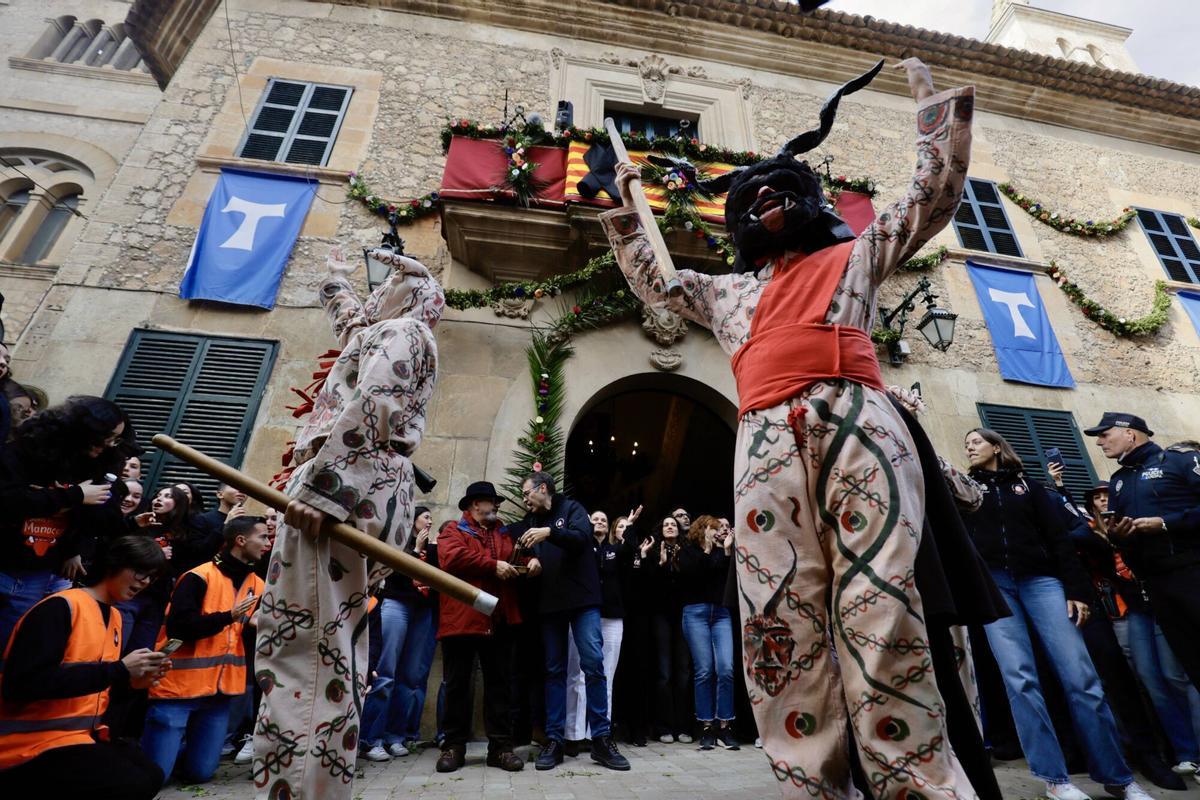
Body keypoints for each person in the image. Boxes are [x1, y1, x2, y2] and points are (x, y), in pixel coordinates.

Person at [603, 57, 978, 795]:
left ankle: (915, 782)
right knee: (775, 609)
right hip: (764, 439)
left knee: (883, 598)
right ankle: (810, 783)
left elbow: (927, 202)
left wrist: (935, 120)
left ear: (809, 202)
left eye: (782, 189)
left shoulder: (857, 255)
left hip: (856, 418)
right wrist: (624, 207)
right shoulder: (724, 293)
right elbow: (658, 280)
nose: (768, 198)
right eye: (752, 194)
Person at [254, 245, 442, 800]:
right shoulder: (384, 332)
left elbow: (377, 400)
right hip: (359, 485)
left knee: (307, 651)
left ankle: (301, 789)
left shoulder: (405, 332)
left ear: (413, 295)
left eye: (388, 285)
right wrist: (335, 280)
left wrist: (324, 488)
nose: (375, 292)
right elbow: (354, 326)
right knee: (320, 645)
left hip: (347, 485)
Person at [963, 428, 1151, 800]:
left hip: (1042, 582)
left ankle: (1118, 778)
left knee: (1081, 678)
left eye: (976, 441)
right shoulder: (967, 491)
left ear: (997, 446)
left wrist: (1076, 590)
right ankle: (1055, 779)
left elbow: (1059, 541)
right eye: (966, 444)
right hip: (995, 586)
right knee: (1020, 679)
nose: (969, 447)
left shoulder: (1032, 489)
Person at [0, 535, 169, 798]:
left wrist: (132, 685)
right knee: (131, 782)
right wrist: (118, 671)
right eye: (139, 572)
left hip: (77, 736)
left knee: (151, 774)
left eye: (151, 577)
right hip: (29, 743)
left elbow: (97, 693)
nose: (144, 582)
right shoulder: (60, 607)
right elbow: (23, 684)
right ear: (114, 564)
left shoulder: (113, 616)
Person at [514, 472, 630, 771]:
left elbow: (580, 539)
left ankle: (602, 740)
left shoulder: (572, 509)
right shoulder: (531, 519)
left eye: (527, 492)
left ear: (543, 488)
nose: (524, 499)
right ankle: (555, 740)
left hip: (583, 601)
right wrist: (531, 560)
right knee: (554, 670)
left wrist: (549, 533)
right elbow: (518, 546)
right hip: (550, 604)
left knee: (593, 665)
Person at [141, 515, 268, 784]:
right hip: (178, 688)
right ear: (241, 540)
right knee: (154, 778)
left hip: (218, 694)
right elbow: (179, 628)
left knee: (200, 774)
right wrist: (228, 617)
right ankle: (139, 754)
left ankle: (171, 751)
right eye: (263, 537)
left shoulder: (257, 583)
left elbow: (244, 626)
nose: (268, 543)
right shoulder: (198, 577)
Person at [1085, 482, 1200, 779]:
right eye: (1097, 498)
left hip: (1161, 601)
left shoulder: (1142, 520)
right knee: (1150, 678)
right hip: (1132, 609)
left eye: (1106, 495)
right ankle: (1184, 751)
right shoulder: (1094, 535)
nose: (1102, 501)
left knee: (1177, 675)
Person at [0, 395, 134, 648]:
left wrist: (75, 545)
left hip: (36, 573)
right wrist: (76, 496)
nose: (109, 444)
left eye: (116, 439)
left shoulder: (100, 466)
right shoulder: (21, 452)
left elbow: (109, 519)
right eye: (106, 435)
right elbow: (8, 501)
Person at [1089, 412, 1200, 690]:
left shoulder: (1180, 460)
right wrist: (1119, 537)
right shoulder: (1117, 481)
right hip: (1158, 586)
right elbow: (1124, 541)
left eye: (1105, 434)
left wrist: (1165, 524)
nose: (1100, 442)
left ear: (1130, 433)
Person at [434, 482, 526, 773]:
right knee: (458, 685)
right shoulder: (453, 530)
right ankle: (453, 746)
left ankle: (500, 749)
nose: (495, 507)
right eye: (490, 502)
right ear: (474, 505)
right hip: (462, 620)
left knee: (500, 685)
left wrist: (530, 561)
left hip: (498, 620)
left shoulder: (502, 531)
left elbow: (514, 557)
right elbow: (452, 558)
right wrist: (492, 564)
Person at [359, 506, 439, 761]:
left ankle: (396, 735)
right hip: (396, 604)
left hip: (422, 611)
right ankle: (372, 738)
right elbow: (395, 576)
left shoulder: (432, 549)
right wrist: (415, 549)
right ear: (412, 521)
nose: (430, 521)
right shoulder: (397, 544)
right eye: (426, 517)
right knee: (386, 672)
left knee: (411, 676)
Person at [563, 506, 638, 752]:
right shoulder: (582, 548)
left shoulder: (615, 550)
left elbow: (628, 550)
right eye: (594, 519)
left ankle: (597, 734)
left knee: (605, 676)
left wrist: (631, 526)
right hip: (583, 614)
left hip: (612, 617)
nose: (599, 522)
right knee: (577, 675)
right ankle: (573, 735)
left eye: (603, 519)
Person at [675, 514, 738, 751]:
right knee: (704, 670)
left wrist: (727, 551)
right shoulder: (688, 551)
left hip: (721, 613)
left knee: (726, 668)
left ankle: (725, 726)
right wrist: (707, 550)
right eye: (713, 529)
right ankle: (706, 727)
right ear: (702, 530)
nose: (718, 532)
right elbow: (692, 575)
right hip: (695, 613)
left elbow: (725, 579)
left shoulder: (723, 552)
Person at [649, 514, 694, 744]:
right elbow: (648, 585)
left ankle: (684, 727)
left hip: (684, 615)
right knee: (664, 673)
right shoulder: (654, 550)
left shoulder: (687, 551)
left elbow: (693, 580)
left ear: (678, 530)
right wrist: (661, 565)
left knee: (684, 672)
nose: (669, 527)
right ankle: (664, 726)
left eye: (672, 525)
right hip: (661, 616)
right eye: (665, 524)